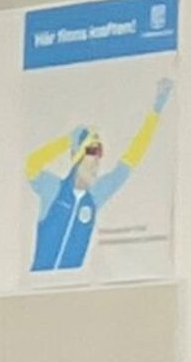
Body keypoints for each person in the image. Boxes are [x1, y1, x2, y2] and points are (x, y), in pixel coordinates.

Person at [26, 78, 172, 274]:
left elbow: (129, 161)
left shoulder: (95, 197)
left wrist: (156, 110)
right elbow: (31, 165)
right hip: (37, 286)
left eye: (100, 155)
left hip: (72, 291)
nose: (97, 162)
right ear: (77, 158)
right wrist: (66, 141)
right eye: (92, 154)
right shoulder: (53, 190)